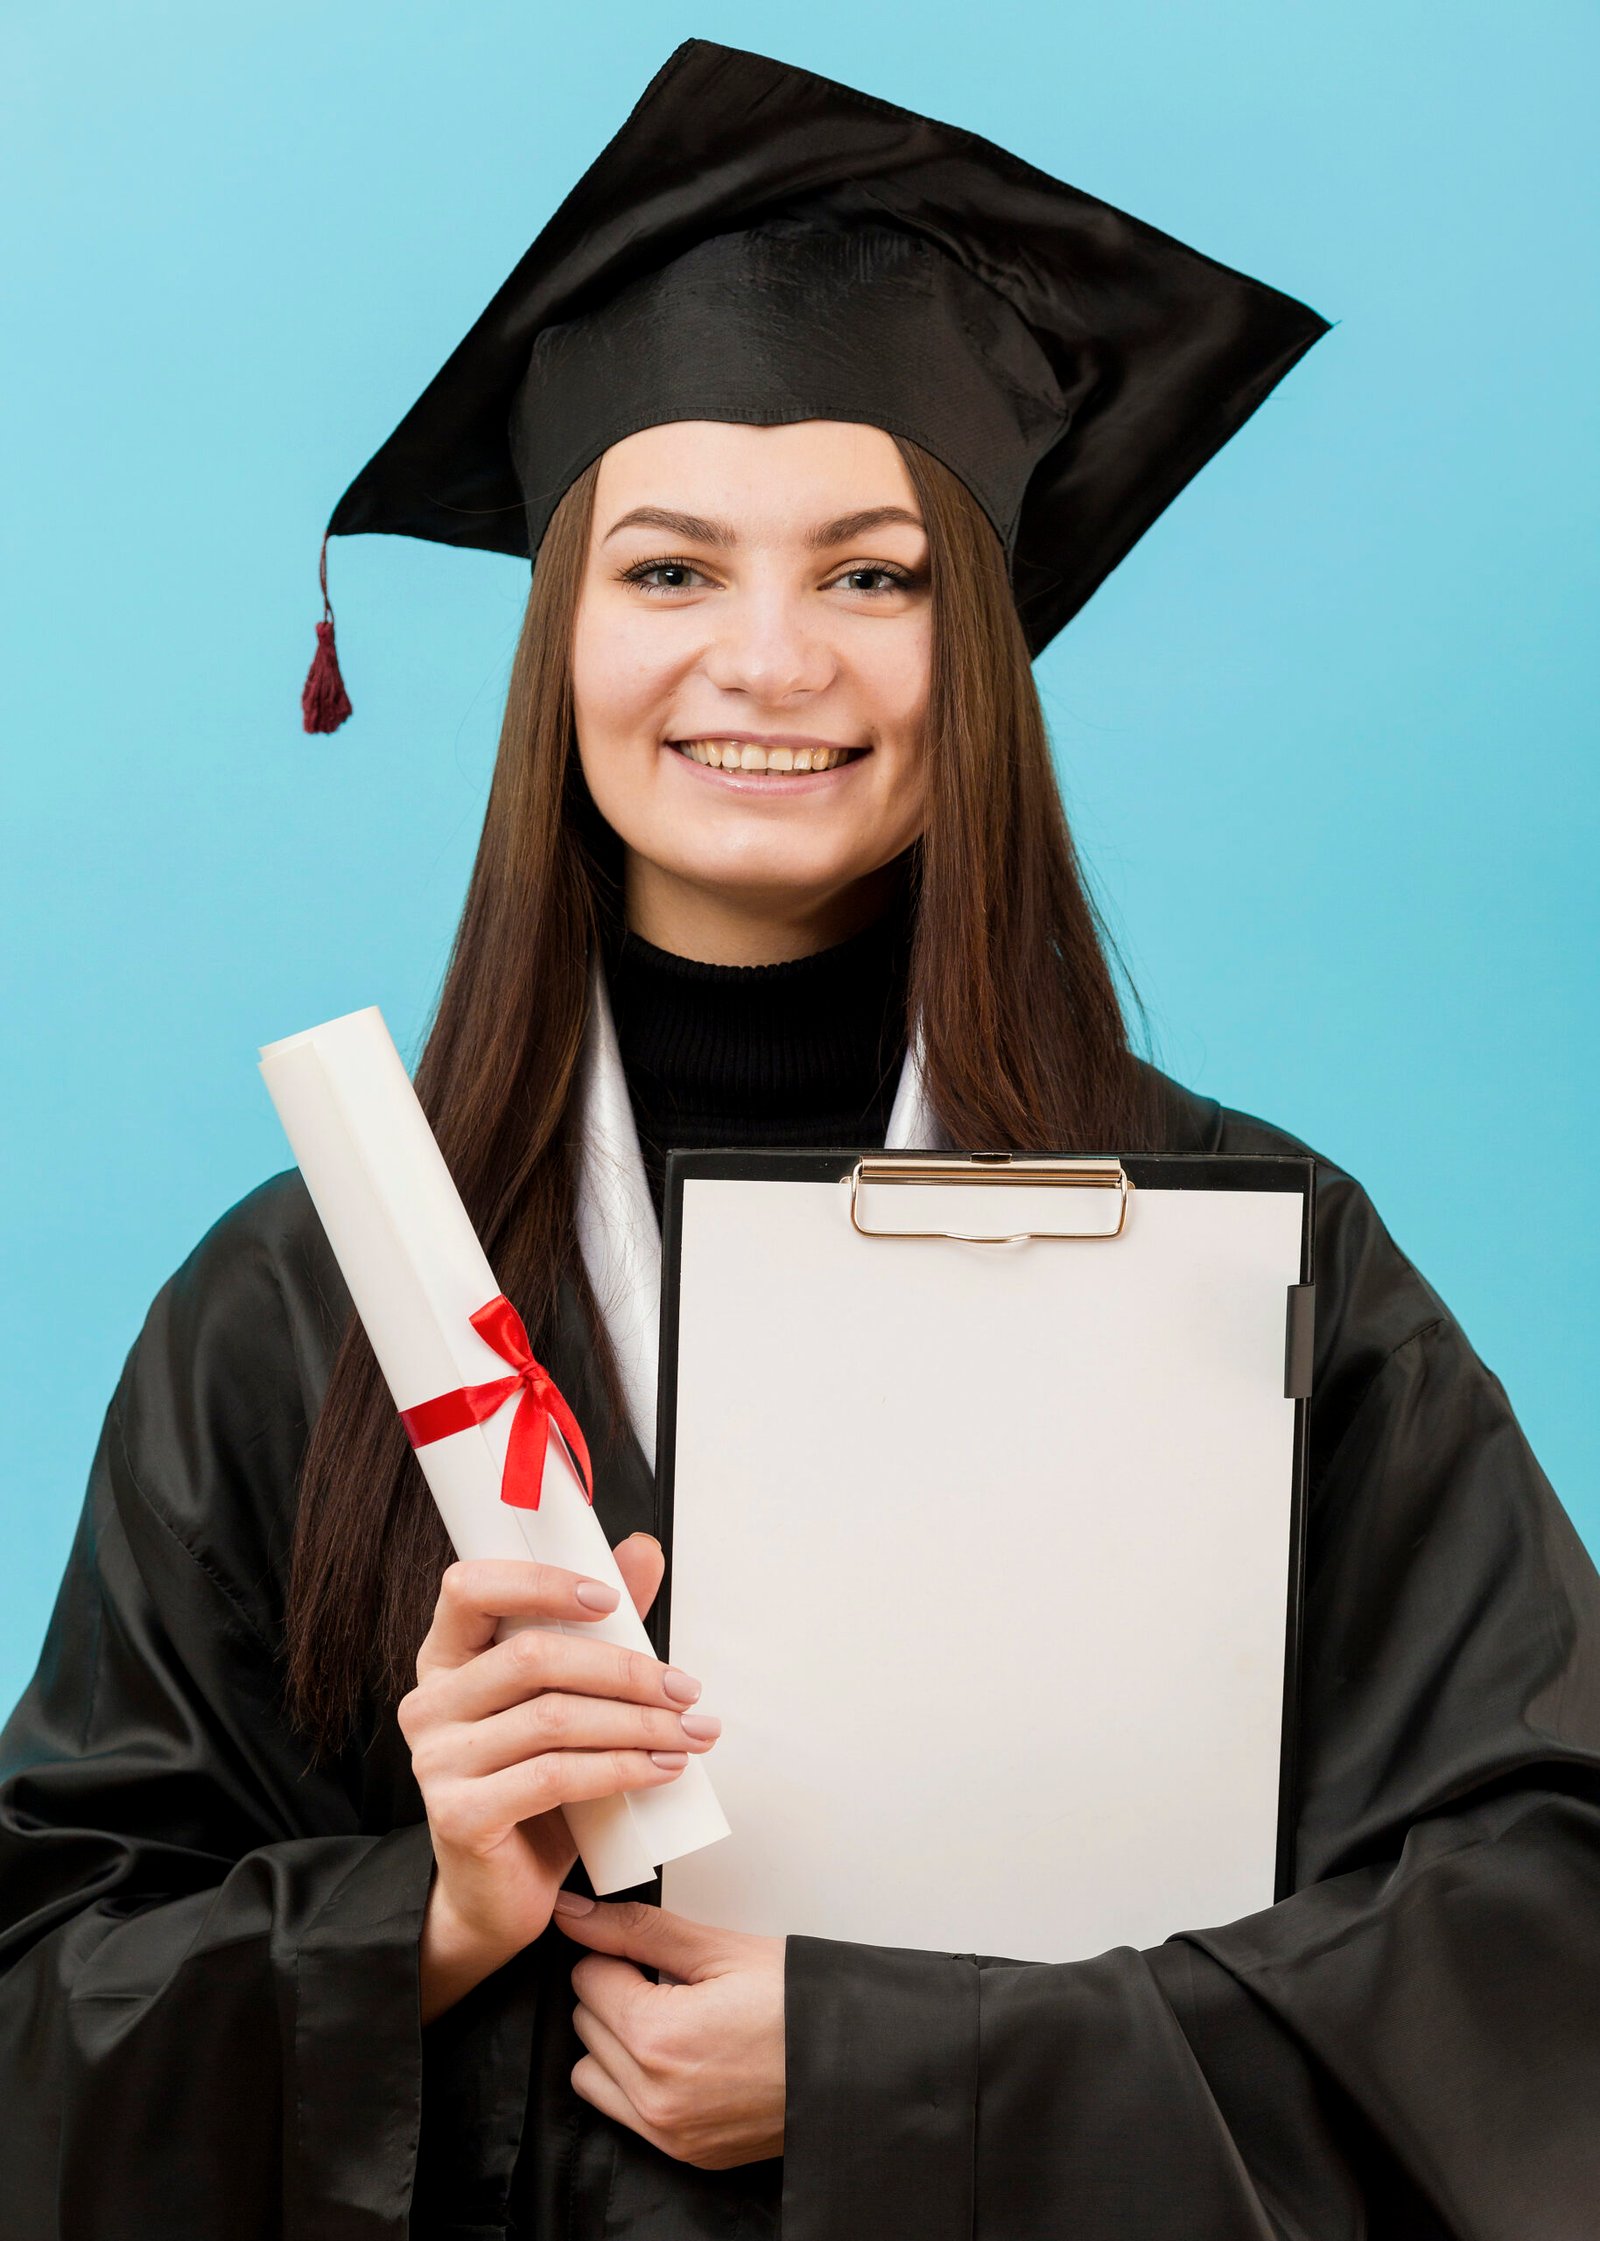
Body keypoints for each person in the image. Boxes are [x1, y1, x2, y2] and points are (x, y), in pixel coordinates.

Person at [3, 37, 1597, 2240]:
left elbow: (1541, 1945)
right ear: (560, 633)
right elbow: (34, 2016)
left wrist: (906, 2073)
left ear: (985, 637)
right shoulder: (306, 1298)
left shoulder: (1246, 1259)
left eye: (871, 575)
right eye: (666, 571)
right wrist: (426, 1912)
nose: (769, 662)